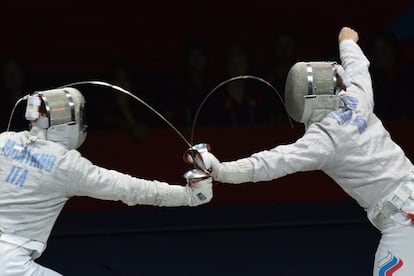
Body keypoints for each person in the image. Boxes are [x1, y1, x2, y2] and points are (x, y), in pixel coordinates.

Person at [196, 27, 414, 275]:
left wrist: (222, 171)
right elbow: (356, 63)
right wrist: (346, 41)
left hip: (404, 222)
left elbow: (270, 163)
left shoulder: (324, 140)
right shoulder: (358, 95)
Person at [0, 87, 213, 275]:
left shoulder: (5, 140)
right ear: (69, 122)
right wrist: (189, 196)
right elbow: (131, 189)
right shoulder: (66, 165)